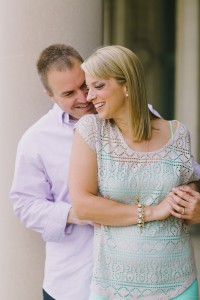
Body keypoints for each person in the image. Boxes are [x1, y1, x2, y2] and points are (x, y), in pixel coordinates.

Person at [9, 44, 177, 300]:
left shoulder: (142, 116)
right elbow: (24, 203)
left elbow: (183, 171)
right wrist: (76, 213)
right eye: (68, 93)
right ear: (49, 95)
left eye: (84, 85)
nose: (83, 97)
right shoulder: (36, 140)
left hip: (140, 277)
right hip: (72, 282)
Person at [69, 45, 199, 299]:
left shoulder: (177, 132)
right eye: (88, 87)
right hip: (112, 287)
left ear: (126, 85)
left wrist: (195, 206)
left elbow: (190, 191)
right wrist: (152, 212)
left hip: (178, 285)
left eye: (98, 86)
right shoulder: (92, 130)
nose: (88, 97)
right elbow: (83, 205)